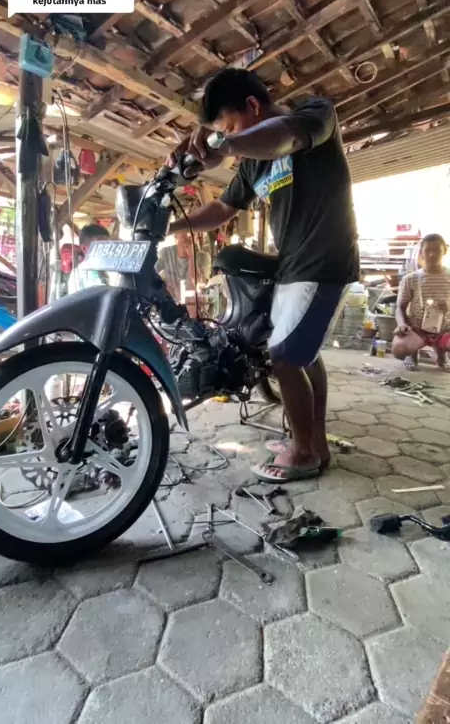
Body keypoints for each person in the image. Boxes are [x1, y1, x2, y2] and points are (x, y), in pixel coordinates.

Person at [167, 68, 359, 483]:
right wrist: (170, 226)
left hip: (324, 262)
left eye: (230, 126)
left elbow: (285, 137)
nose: (229, 138)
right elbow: (222, 209)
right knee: (305, 354)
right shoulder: (253, 163)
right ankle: (315, 443)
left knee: (285, 357)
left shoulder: (314, 114)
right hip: (293, 265)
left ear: (253, 105)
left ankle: (303, 454)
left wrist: (224, 144)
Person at [392, 233, 450, 371]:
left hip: (445, 330)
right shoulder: (410, 279)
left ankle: (441, 353)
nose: (432, 254)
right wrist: (402, 325)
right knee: (399, 349)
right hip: (418, 330)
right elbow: (400, 307)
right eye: (427, 250)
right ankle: (412, 353)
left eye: (437, 250)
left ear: (445, 251)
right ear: (421, 253)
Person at [67, 223, 110, 294]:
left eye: (107, 246)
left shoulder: (108, 269)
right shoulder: (81, 274)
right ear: (84, 248)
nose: (105, 250)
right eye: (99, 246)